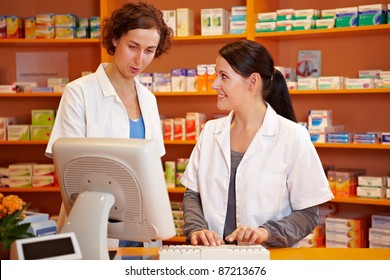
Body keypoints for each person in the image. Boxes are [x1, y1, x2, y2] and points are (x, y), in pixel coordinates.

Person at [45, 2, 173, 256]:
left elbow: (152, 170)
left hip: (141, 228)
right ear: (115, 39)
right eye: (133, 47)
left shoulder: (148, 99)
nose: (140, 59)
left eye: (149, 50)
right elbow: (68, 167)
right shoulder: (79, 92)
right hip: (93, 223)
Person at [181, 40, 334, 247]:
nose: (214, 84)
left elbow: (307, 214)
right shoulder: (210, 131)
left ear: (253, 82)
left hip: (268, 259)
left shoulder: (292, 136)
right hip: (213, 257)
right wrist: (196, 228)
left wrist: (265, 233)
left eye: (223, 76)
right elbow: (193, 193)